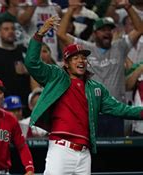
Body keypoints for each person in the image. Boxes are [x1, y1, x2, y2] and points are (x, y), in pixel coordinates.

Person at [17, 16, 143, 175]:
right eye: (76, 57)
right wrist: (39, 35)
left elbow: (118, 108)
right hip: (60, 148)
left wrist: (140, 113)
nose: (81, 60)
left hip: (83, 153)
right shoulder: (56, 77)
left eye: (83, 57)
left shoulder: (95, 88)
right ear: (67, 62)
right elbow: (31, 62)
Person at [57, 1, 143, 136]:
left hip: (116, 111)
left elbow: (139, 29)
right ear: (95, 33)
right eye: (103, 30)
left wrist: (128, 7)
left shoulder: (119, 47)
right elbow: (61, 34)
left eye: (109, 30)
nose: (107, 33)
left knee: (116, 154)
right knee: (94, 153)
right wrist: (71, 9)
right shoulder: (85, 49)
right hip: (93, 112)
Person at [0, 16, 31, 116]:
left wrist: (26, 71)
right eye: (6, 29)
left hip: (24, 105)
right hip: (2, 105)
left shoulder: (23, 51)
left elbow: (35, 74)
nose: (10, 31)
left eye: (12, 29)